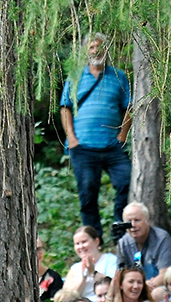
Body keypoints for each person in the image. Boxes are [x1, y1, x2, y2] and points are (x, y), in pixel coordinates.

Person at [59, 33, 131, 238]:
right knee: (88, 194)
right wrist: (72, 139)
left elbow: (129, 108)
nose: (96, 51)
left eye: (100, 47)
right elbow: (65, 108)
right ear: (85, 51)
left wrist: (122, 136)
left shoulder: (118, 76)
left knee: (126, 181)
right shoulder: (75, 76)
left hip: (112, 146)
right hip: (83, 147)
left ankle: (120, 232)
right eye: (91, 47)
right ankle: (95, 240)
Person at [116, 202, 171, 287]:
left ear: (148, 221)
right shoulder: (123, 243)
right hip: (140, 287)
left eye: (137, 220)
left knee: (156, 294)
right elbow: (120, 276)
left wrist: (142, 288)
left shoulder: (162, 238)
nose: (133, 225)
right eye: (129, 222)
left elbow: (166, 275)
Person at [63, 226, 119, 299]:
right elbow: (65, 297)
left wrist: (93, 272)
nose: (81, 247)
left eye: (84, 242)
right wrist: (83, 277)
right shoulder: (75, 268)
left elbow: (114, 286)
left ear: (96, 241)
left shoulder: (111, 260)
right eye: (77, 244)